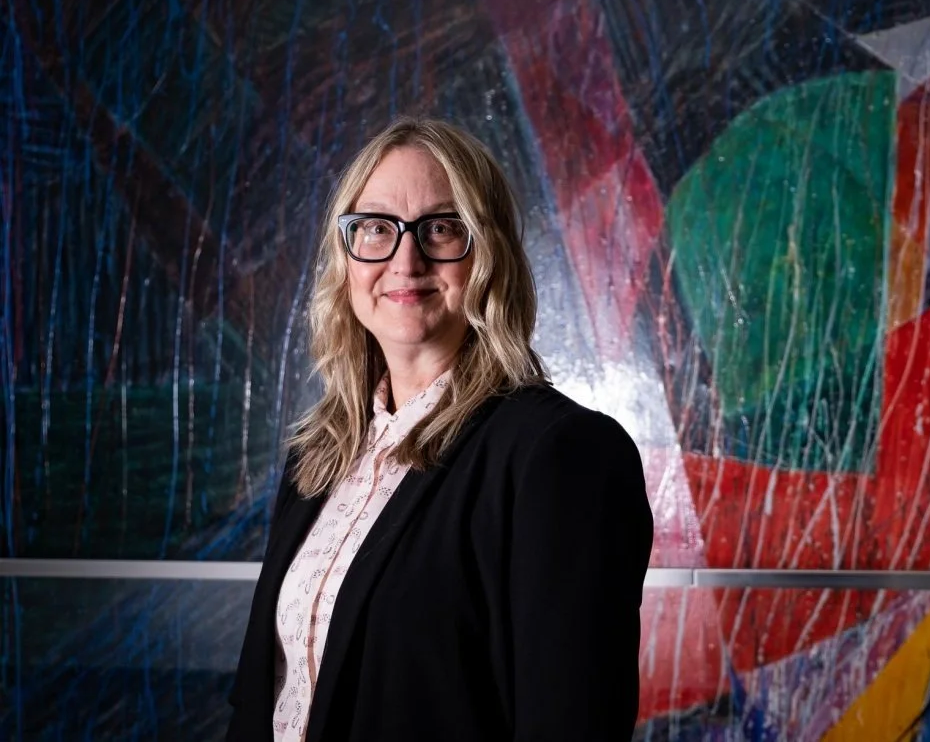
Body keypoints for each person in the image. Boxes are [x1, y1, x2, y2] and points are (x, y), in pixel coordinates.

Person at [226, 117, 655, 741]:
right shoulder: (319, 457)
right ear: (345, 257)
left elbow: (570, 723)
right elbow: (265, 696)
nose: (406, 258)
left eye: (442, 228)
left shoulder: (562, 455)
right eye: (375, 228)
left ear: (489, 254)